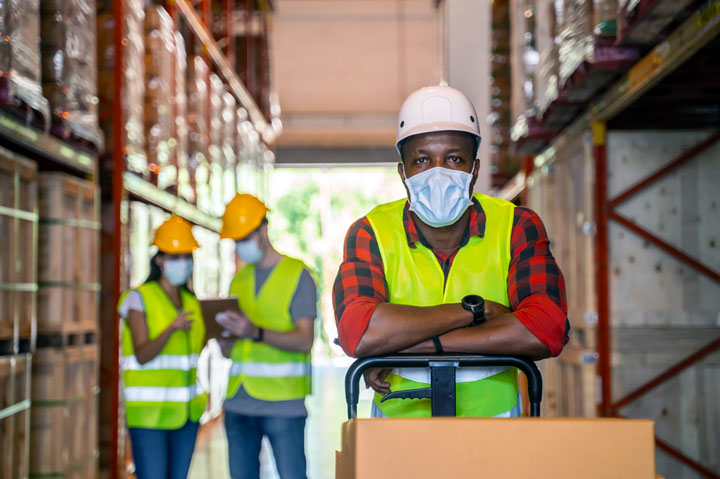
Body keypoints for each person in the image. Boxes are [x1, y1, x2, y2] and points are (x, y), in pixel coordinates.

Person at [333, 85, 569, 418]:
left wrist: (401, 347)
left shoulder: (516, 225)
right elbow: (358, 331)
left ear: (474, 168)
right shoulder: (371, 231)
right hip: (398, 433)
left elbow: (547, 328)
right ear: (403, 172)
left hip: (495, 426)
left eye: (454, 158)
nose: (438, 172)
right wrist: (476, 311)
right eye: (422, 160)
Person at [215, 193, 316, 479]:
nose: (240, 246)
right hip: (237, 402)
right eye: (236, 240)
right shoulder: (239, 279)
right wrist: (224, 337)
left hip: (283, 405)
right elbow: (230, 351)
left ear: (263, 229)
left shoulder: (298, 275)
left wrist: (254, 332)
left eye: (244, 238)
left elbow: (304, 340)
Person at [117, 216, 207, 479]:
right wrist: (171, 328)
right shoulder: (138, 298)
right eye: (175, 257)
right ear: (159, 260)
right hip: (150, 417)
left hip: (187, 414)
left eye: (187, 257)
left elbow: (194, 352)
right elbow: (142, 354)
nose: (183, 263)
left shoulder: (191, 301)